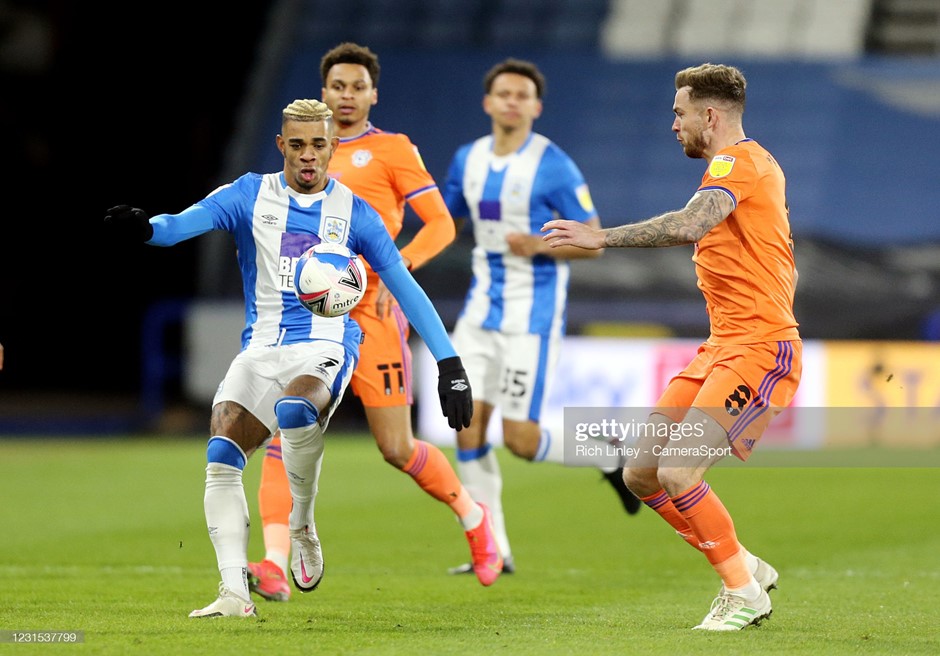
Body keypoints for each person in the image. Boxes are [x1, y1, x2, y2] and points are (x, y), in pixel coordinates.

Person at [103, 98, 496, 619]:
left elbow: (405, 287)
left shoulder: (356, 213)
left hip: (328, 346)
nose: (308, 155)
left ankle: (302, 524)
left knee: (297, 411)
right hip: (261, 349)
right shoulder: (249, 194)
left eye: (318, 145)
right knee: (221, 453)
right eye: (298, 144)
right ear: (281, 145)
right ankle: (233, 594)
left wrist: (449, 364)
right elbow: (179, 225)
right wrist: (147, 228)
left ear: (333, 147)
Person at [542, 62, 801, 631]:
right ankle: (746, 566)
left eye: (679, 113)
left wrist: (599, 237)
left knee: (680, 471)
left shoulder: (739, 163)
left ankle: (742, 593)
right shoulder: (740, 171)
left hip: (758, 346)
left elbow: (689, 225)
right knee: (641, 472)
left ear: (710, 115)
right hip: (721, 346)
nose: (673, 125)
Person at [247, 42, 503, 600]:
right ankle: (271, 561)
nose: (346, 95)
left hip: (375, 315)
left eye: (357, 86)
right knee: (280, 430)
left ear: (372, 94)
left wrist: (396, 269)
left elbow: (439, 224)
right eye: (337, 86)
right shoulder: (305, 152)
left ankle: (473, 518)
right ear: (323, 92)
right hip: (307, 319)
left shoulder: (391, 150)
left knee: (397, 448)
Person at [442, 58, 642, 576]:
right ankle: (495, 550)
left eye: (521, 94)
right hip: (478, 314)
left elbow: (594, 242)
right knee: (466, 428)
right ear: (488, 102)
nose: (511, 101)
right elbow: (444, 220)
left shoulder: (554, 165)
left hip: (532, 320)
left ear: (536, 106)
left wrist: (538, 244)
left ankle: (607, 457)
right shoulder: (467, 159)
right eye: (502, 93)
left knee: (521, 442)